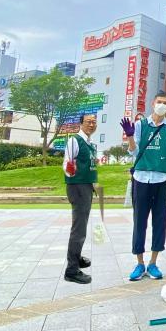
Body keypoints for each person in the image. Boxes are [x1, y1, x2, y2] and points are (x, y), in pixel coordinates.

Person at [121, 91, 166, 281]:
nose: (162, 105)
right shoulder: (140, 125)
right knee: (139, 221)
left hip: (163, 178)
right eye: (159, 102)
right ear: (153, 103)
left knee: (160, 221)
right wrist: (130, 136)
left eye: (165, 103)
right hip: (142, 177)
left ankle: (153, 263)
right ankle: (139, 263)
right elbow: (133, 151)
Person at [62, 113, 98, 284]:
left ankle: (76, 257)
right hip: (77, 187)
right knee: (79, 229)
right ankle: (71, 270)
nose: (91, 124)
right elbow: (67, 164)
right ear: (81, 123)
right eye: (88, 122)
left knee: (81, 227)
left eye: (94, 122)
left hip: (86, 186)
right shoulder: (74, 141)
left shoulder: (90, 143)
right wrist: (70, 169)